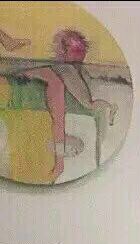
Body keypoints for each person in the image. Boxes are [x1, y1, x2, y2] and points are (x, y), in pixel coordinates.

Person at [0, 27, 116, 182]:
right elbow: (60, 114)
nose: (73, 151)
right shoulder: (61, 75)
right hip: (13, 92)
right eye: (75, 149)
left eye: (73, 151)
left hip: (13, 95)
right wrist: (59, 160)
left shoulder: (39, 135)